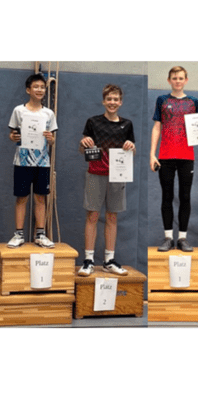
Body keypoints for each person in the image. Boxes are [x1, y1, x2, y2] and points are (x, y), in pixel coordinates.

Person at [150, 65, 198, 252]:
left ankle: (183, 238)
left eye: (180, 78)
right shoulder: (162, 100)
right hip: (165, 156)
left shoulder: (193, 101)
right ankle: (168, 238)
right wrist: (152, 154)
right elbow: (157, 127)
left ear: (186, 80)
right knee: (167, 196)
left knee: (185, 196)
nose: (177, 81)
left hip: (186, 156)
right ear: (169, 80)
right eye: (174, 78)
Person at [77, 84, 135, 276]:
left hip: (117, 176)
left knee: (112, 217)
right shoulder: (93, 122)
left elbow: (132, 151)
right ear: (103, 101)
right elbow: (83, 150)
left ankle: (109, 260)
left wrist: (131, 146)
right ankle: (88, 260)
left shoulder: (127, 125)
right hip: (95, 173)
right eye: (109, 99)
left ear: (121, 102)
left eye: (116, 99)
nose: (112, 102)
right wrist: (83, 143)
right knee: (93, 216)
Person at [7, 74, 58, 249]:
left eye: (42, 87)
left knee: (40, 198)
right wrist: (13, 137)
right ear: (28, 90)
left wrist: (50, 139)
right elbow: (12, 135)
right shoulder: (18, 111)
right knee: (21, 198)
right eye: (36, 87)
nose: (39, 90)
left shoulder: (49, 113)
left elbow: (52, 141)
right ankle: (18, 234)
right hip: (22, 161)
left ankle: (40, 235)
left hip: (42, 162)